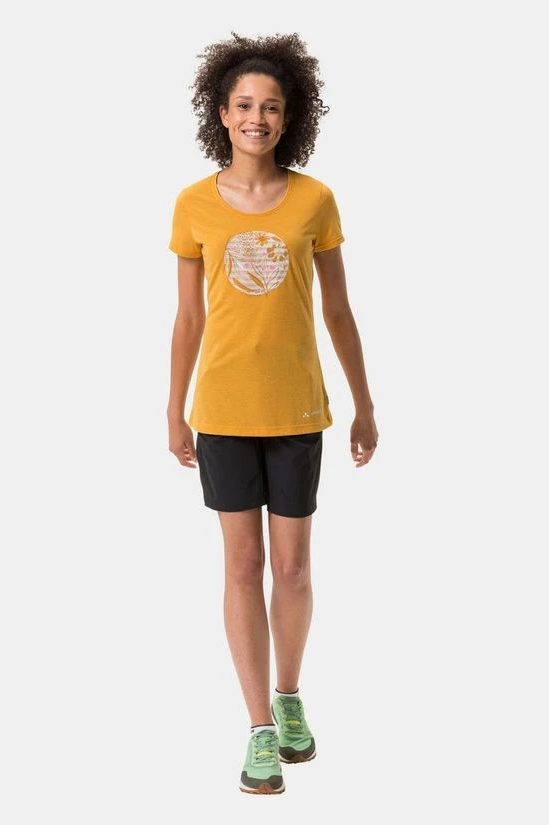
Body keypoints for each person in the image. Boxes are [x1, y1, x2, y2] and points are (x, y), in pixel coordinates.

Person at [167, 31, 378, 795]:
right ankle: (258, 726)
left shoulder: (315, 200)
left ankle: (289, 696)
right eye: (245, 105)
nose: (257, 118)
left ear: (290, 118)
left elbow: (339, 310)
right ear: (222, 113)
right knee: (241, 565)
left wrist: (364, 405)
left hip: (296, 410)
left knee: (292, 568)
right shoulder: (193, 205)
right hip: (223, 412)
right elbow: (189, 318)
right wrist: (174, 409)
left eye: (272, 107)